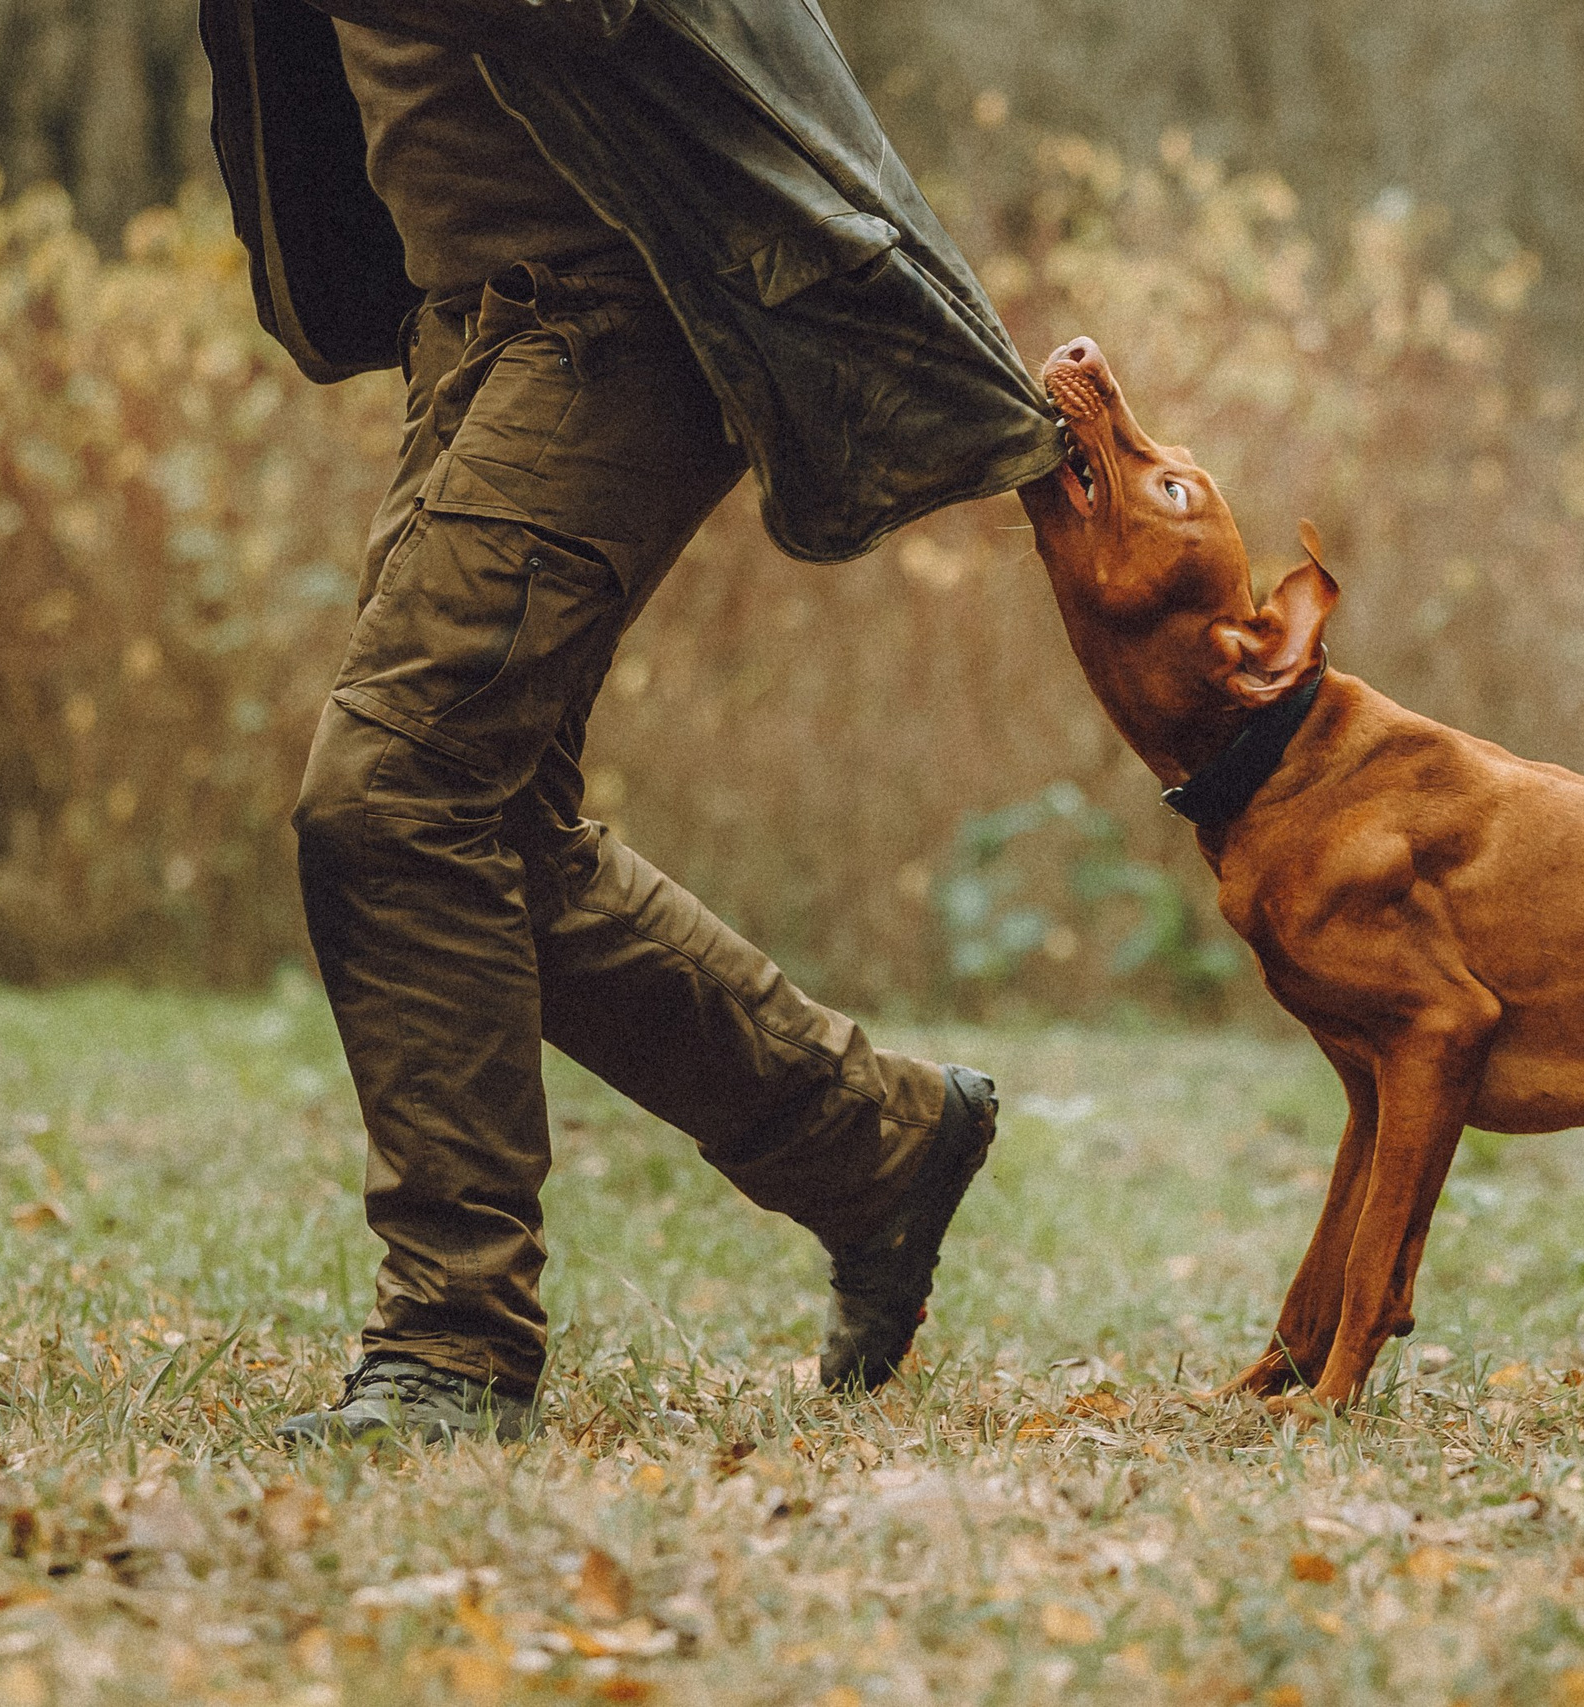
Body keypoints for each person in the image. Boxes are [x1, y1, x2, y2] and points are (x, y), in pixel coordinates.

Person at [197, 0, 1064, 1442]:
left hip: (625, 308)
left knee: (396, 792)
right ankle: (878, 1146)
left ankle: (456, 1343)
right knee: (486, 828)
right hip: (467, 322)